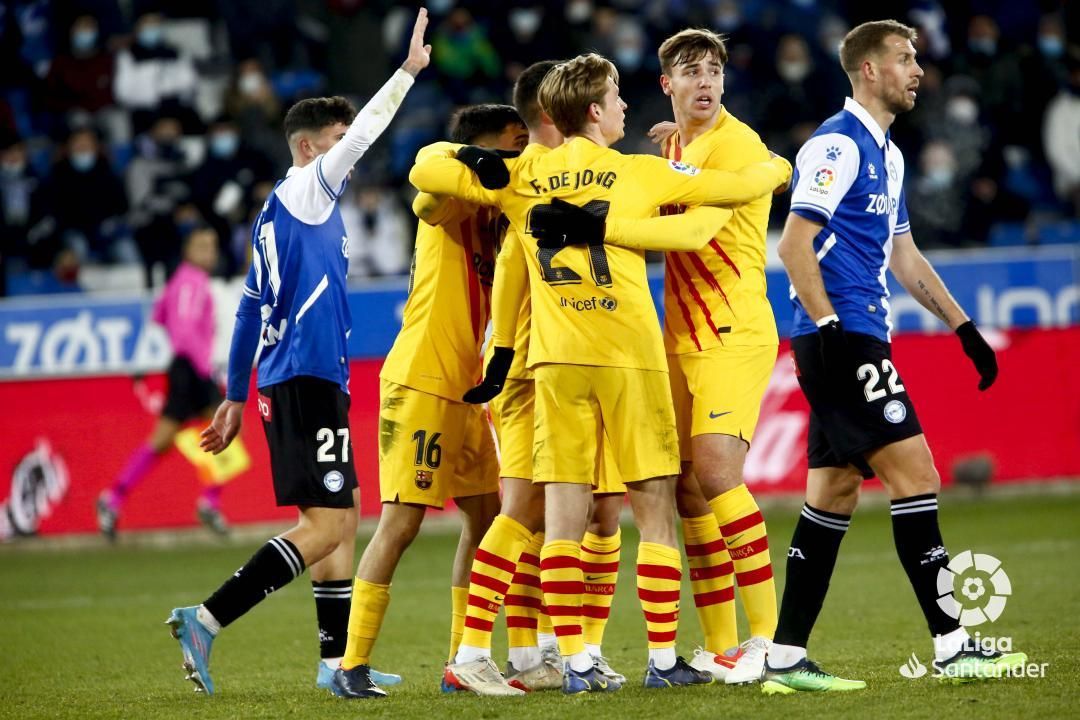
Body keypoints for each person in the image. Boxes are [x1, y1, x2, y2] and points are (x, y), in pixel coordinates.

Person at [410, 52, 791, 693]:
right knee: (655, 510)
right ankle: (664, 659)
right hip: (630, 358)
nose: (624, 108)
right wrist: (781, 164)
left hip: (556, 360)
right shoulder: (637, 173)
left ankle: (577, 659)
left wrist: (472, 159)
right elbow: (735, 190)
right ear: (595, 110)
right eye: (616, 98)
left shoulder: (524, 173)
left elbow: (426, 171)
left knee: (561, 515)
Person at [164, 8, 431, 697]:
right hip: (307, 377)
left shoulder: (275, 212)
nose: (351, 150)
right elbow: (369, 130)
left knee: (336, 518)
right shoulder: (310, 191)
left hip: (298, 378)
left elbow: (250, 308)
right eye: (338, 141)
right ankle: (206, 618)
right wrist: (405, 73)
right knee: (334, 521)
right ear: (311, 148)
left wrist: (230, 396)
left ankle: (336, 665)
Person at [763, 19, 1026, 694]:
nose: (918, 68)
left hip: (852, 336)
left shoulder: (890, 153)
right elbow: (793, 245)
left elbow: (902, 256)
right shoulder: (836, 144)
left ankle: (786, 658)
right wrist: (827, 327)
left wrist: (963, 327)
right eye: (905, 58)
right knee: (919, 476)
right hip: (841, 338)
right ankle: (953, 644)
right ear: (870, 70)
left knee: (835, 493)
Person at [329, 103, 525, 701]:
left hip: (469, 388)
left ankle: (459, 661)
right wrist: (468, 159)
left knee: (486, 517)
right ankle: (350, 664)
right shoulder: (447, 202)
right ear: (482, 148)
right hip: (421, 380)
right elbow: (427, 175)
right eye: (511, 145)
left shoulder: (502, 212)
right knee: (402, 521)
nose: (520, 155)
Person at [647, 28, 781, 685]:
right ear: (666, 84)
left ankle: (768, 641)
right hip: (679, 339)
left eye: (714, 71)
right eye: (689, 71)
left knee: (718, 471)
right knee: (686, 489)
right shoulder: (675, 143)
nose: (705, 81)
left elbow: (696, 225)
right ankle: (721, 645)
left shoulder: (738, 145)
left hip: (733, 332)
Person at [97, 226, 230, 540]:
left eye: (212, 245)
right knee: (226, 428)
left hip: (184, 369)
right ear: (188, 251)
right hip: (191, 369)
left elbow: (159, 316)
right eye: (202, 246)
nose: (209, 252)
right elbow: (184, 333)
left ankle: (113, 499)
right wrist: (205, 371)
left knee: (165, 439)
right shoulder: (192, 284)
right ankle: (209, 501)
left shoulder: (178, 282)